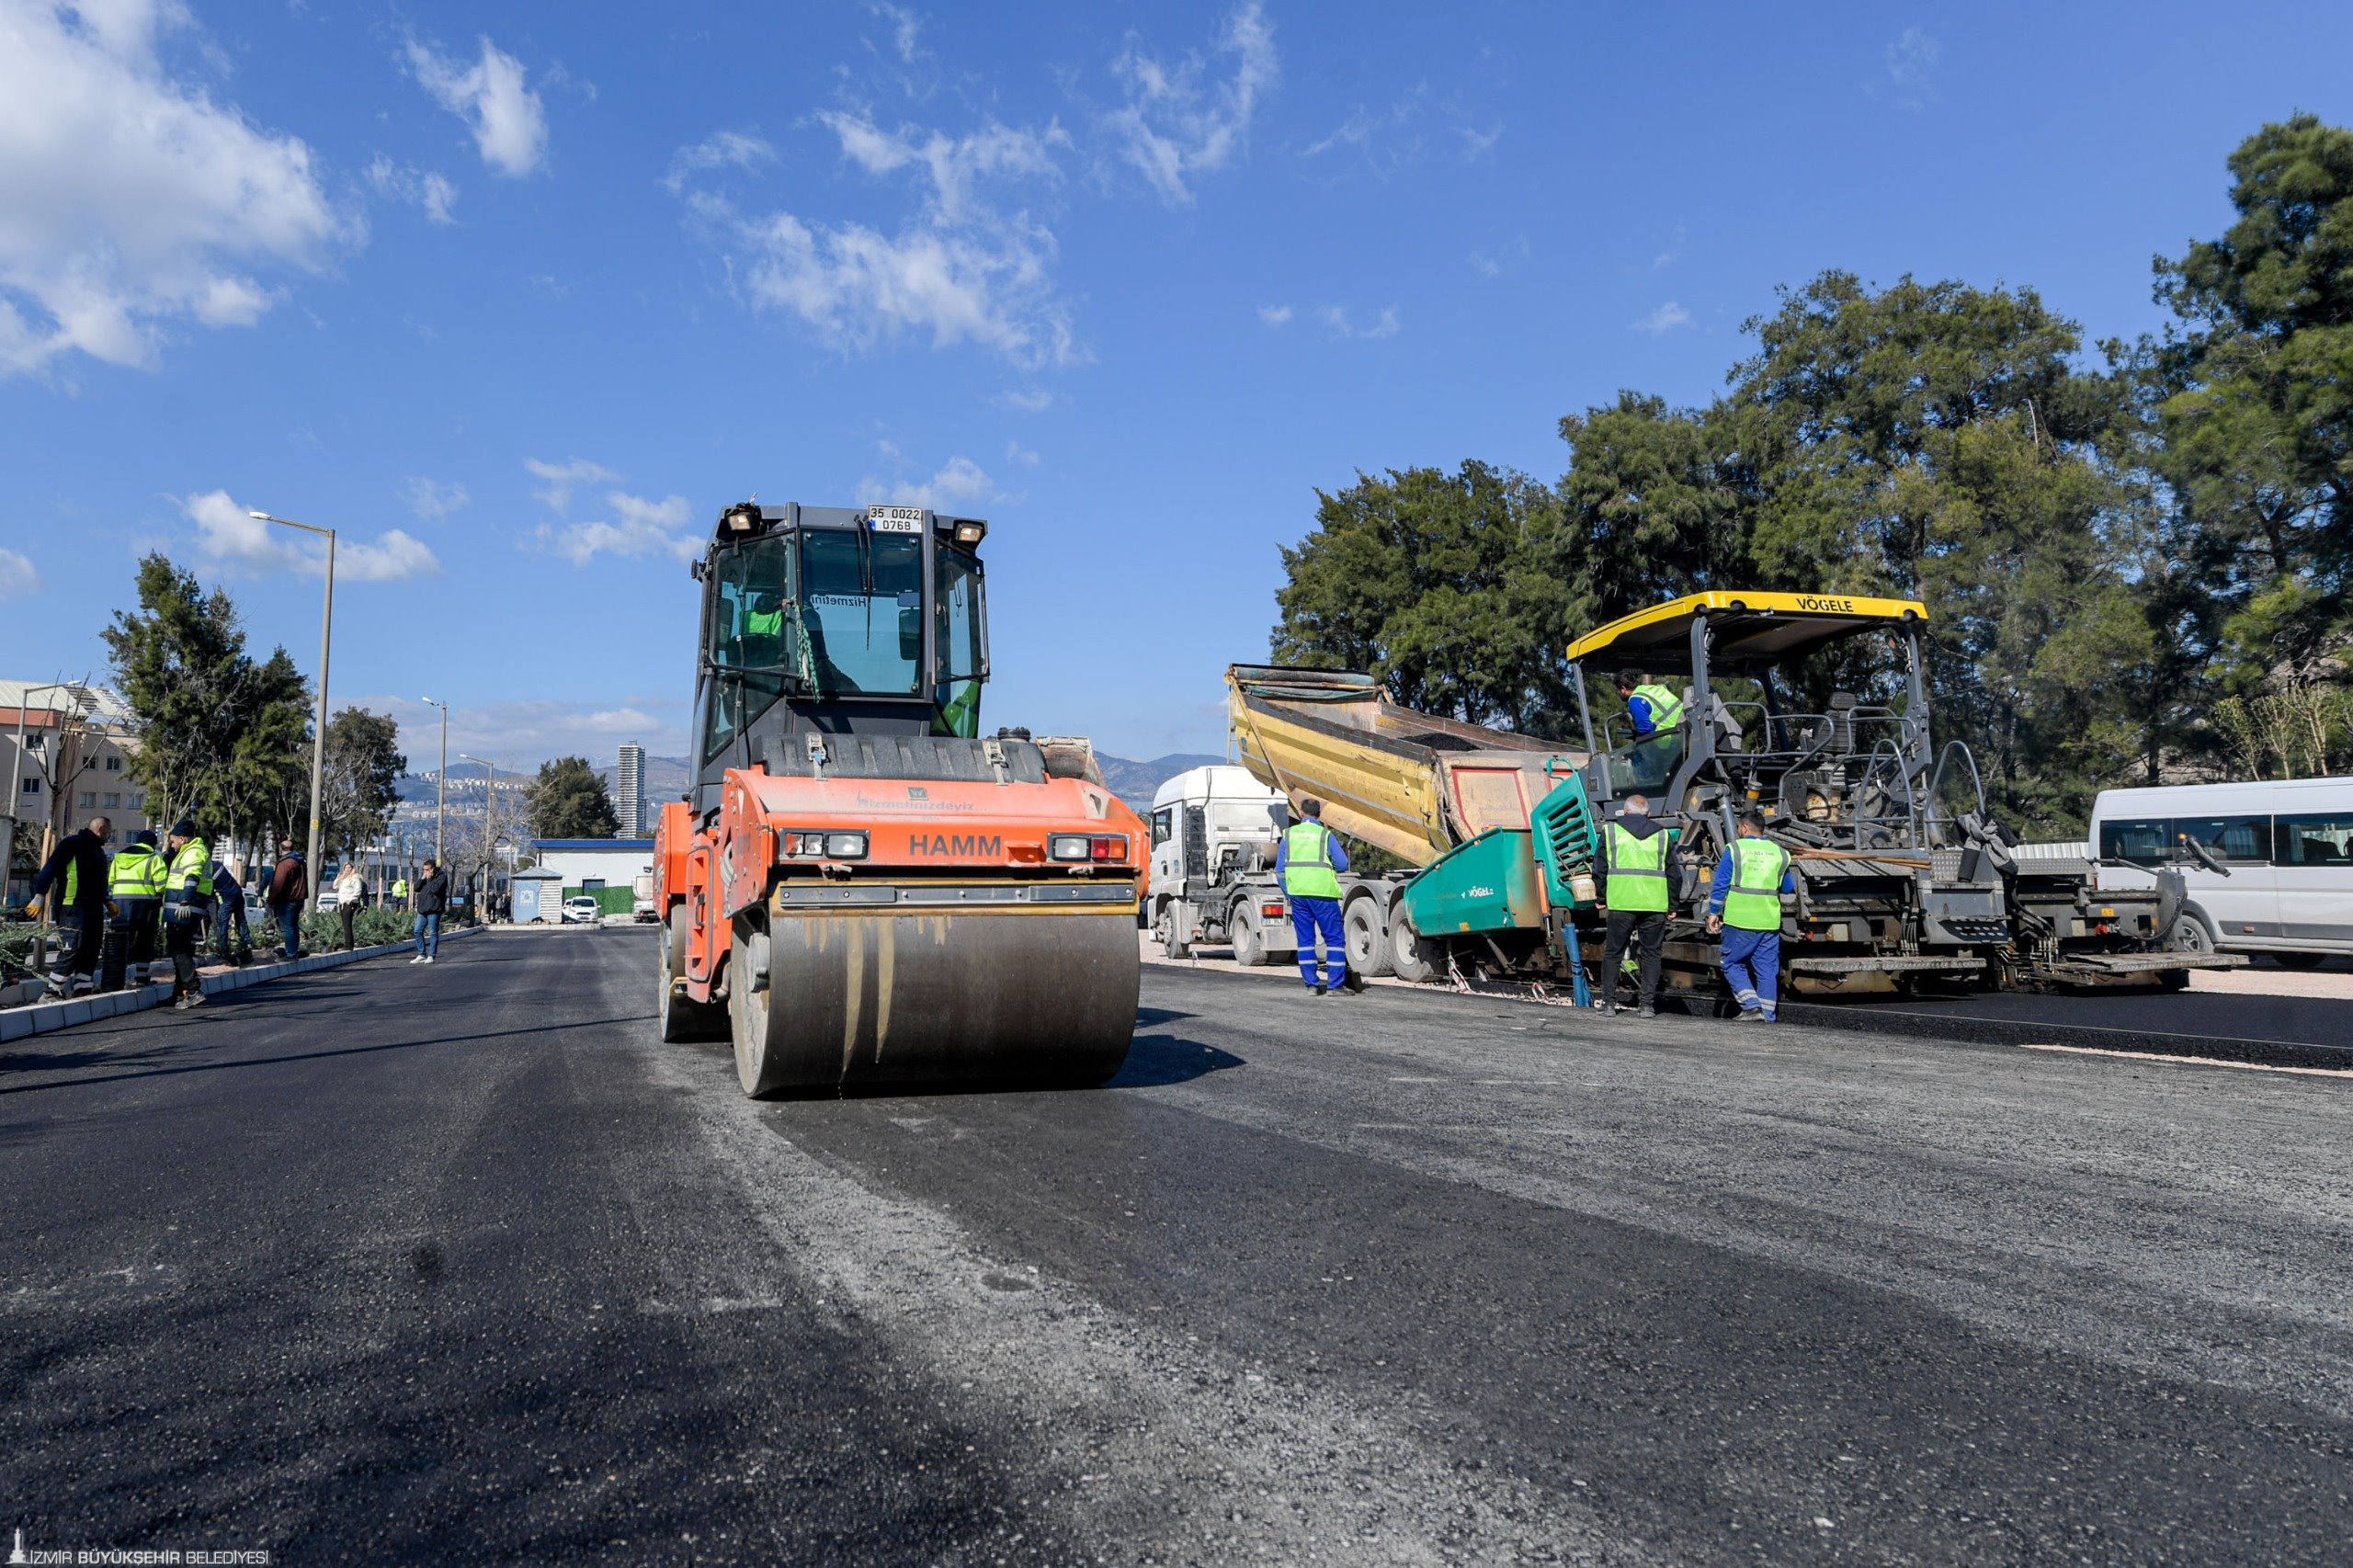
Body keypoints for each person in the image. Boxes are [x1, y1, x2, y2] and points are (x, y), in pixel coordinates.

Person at [1706, 813, 1795, 1023]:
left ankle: (1751, 1006)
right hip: (1769, 921)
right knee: (1767, 970)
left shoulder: (1735, 849)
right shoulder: (1780, 853)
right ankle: (1768, 1016)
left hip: (1741, 919)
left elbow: (1721, 884)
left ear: (1744, 828)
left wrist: (1713, 913)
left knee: (1731, 963)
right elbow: (1788, 887)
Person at [1593, 794, 1672, 1018]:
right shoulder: (1663, 835)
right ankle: (1646, 1006)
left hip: (1622, 902)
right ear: (1648, 814)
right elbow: (1674, 872)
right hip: (1654, 904)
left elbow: (1599, 868)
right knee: (1651, 954)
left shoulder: (1610, 832)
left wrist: (1601, 896)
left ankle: (1609, 1004)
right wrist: (1674, 903)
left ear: (1625, 812)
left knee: (1613, 953)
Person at [1277, 797, 1359, 995]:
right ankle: (1335, 986)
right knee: (1334, 940)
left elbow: (1280, 871)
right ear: (1319, 815)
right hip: (1323, 895)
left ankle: (1312, 985)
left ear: (1301, 813)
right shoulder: (1325, 835)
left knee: (1305, 940)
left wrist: (1290, 892)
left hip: (1298, 895)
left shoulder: (1288, 835)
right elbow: (1342, 864)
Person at [28, 814, 110, 996]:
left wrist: (107, 900)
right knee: (71, 948)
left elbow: (99, 881)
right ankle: (51, 992)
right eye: (109, 832)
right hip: (72, 907)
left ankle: (83, 989)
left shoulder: (98, 852)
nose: (109, 836)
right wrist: (39, 894)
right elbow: (50, 868)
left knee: (90, 949)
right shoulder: (73, 844)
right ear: (101, 829)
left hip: (93, 908)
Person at [100, 829, 166, 993]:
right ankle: (141, 978)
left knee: (121, 941)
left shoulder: (119, 857)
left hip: (120, 904)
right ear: (152, 844)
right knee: (145, 940)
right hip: (146, 905)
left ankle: (116, 979)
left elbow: (111, 880)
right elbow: (161, 884)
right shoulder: (153, 858)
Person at [159, 818, 213, 1010]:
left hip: (183, 909)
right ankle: (179, 993)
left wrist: (185, 901)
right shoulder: (188, 852)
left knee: (178, 949)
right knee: (182, 951)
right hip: (184, 907)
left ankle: (192, 990)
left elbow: (191, 877)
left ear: (182, 839)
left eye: (173, 841)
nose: (171, 845)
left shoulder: (193, 852)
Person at [267, 838, 308, 958]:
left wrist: (271, 900)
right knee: (293, 926)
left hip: (287, 900)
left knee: (287, 927)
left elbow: (278, 884)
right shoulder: (300, 861)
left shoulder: (285, 863)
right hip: (299, 899)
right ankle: (294, 951)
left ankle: (291, 954)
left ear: (281, 849)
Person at [210, 857, 252, 966]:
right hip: (237, 892)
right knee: (241, 920)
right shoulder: (218, 865)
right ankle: (247, 946)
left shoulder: (208, 870)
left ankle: (224, 952)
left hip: (227, 898)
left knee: (222, 924)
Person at [409, 858, 449, 964]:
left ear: (433, 869)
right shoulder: (425, 877)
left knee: (433, 932)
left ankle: (431, 955)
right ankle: (421, 954)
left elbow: (435, 889)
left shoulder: (442, 877)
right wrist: (422, 879)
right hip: (422, 909)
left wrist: (430, 879)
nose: (425, 872)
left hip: (434, 909)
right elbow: (416, 888)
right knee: (417, 931)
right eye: (424, 869)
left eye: (427, 870)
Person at [334, 861, 365, 951]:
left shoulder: (355, 878)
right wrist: (338, 878)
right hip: (342, 903)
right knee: (345, 925)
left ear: (353, 869)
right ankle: (349, 944)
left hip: (349, 903)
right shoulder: (343, 878)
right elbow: (335, 887)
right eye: (346, 868)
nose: (348, 869)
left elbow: (358, 890)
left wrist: (350, 899)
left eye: (349, 868)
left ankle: (348, 945)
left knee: (347, 925)